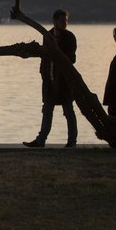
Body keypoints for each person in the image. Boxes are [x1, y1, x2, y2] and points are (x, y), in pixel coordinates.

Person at [24, 10, 78, 148]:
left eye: (66, 21)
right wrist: (43, 72)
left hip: (64, 81)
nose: (65, 23)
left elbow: (72, 58)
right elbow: (44, 56)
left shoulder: (70, 37)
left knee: (68, 111)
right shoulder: (47, 35)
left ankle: (72, 142)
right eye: (62, 21)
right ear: (54, 21)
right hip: (50, 80)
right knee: (47, 110)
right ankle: (41, 140)